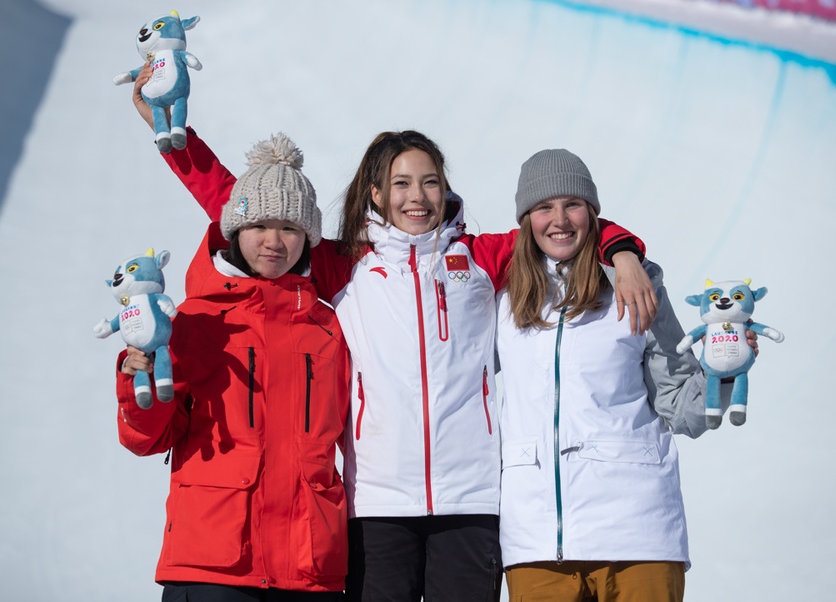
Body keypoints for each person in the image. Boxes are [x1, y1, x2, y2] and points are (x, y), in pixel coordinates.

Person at [125, 65, 657, 602]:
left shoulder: (480, 258)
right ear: (376, 193)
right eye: (401, 183)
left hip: (470, 501)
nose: (417, 196)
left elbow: (556, 227)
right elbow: (251, 212)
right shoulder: (347, 263)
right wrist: (175, 142)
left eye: (429, 181)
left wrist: (622, 249)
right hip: (376, 504)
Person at [496, 149, 754, 602]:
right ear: (526, 219)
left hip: (638, 534)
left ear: (593, 213)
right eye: (543, 207)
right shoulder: (500, 296)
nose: (559, 219)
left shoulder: (634, 287)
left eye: (572, 204)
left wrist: (721, 374)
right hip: (535, 541)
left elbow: (679, 403)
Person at [115, 134, 351, 601]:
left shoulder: (331, 326)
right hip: (212, 566)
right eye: (259, 224)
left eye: (290, 227)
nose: (273, 241)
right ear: (234, 229)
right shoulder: (194, 320)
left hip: (309, 568)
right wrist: (135, 379)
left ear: (309, 237)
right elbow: (147, 439)